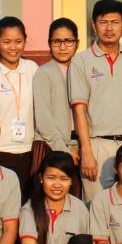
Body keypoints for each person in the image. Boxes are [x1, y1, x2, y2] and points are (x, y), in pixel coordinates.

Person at [70, 0, 122, 202]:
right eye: (103, 22)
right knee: (96, 206)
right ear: (94, 25)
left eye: (115, 22)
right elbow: (79, 109)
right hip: (97, 145)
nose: (109, 28)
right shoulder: (81, 61)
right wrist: (87, 151)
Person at [0, 16, 39, 202]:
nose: (13, 47)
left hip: (30, 150)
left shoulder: (32, 68)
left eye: (18, 41)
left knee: (28, 205)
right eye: (7, 42)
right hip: (1, 151)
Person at [31, 18, 77, 154]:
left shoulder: (82, 70)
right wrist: (63, 150)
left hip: (79, 145)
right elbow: (43, 119)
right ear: (49, 44)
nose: (62, 47)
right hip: (52, 147)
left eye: (68, 41)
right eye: (57, 41)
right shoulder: (44, 73)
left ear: (77, 43)